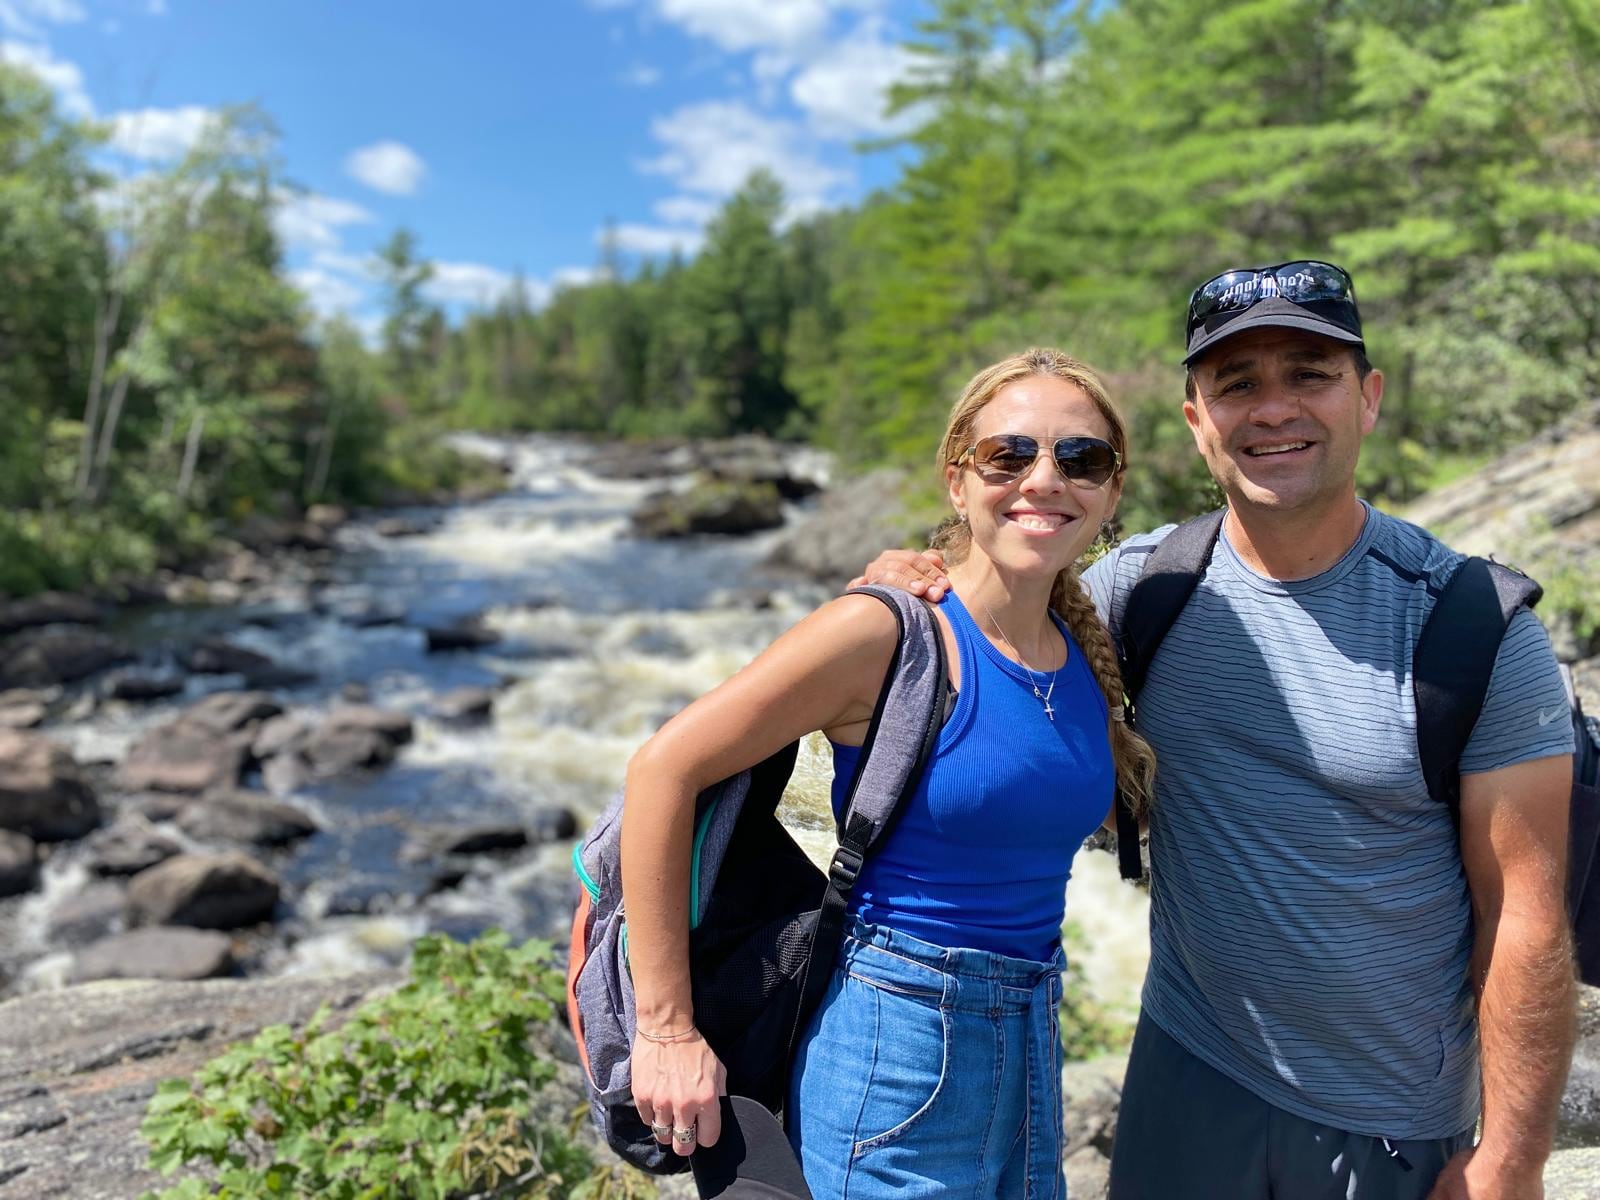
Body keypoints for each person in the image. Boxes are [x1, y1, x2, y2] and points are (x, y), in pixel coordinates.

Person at [858, 261, 1577, 1200]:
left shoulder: (1471, 625)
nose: (1272, 408)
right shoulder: (1145, 591)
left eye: (1309, 374)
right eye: (1237, 384)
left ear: (1368, 399)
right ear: (1198, 424)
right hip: (1185, 1078)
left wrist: (1511, 1161)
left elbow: (1525, 916)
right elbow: (998, 616)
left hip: (1388, 1120)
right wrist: (909, 585)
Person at [619, 348, 1156, 1199]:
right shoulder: (886, 632)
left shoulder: (1084, 650)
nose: (1044, 479)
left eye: (1080, 458)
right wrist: (667, 1029)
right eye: (1008, 454)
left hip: (1031, 1046)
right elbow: (663, 771)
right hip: (896, 1050)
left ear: (1112, 491)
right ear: (958, 481)